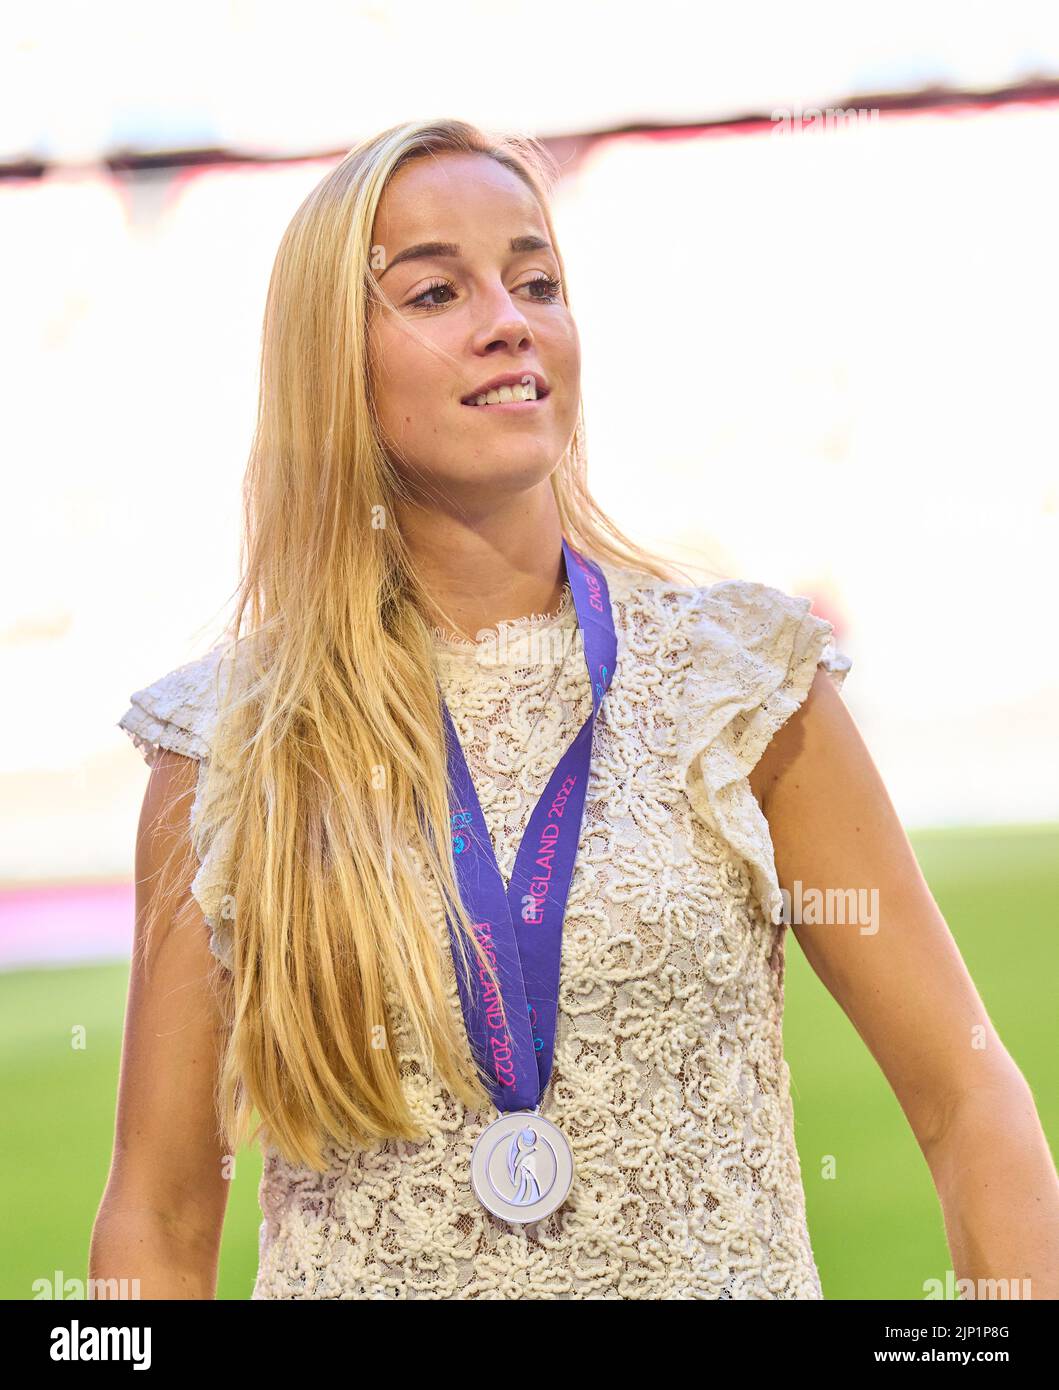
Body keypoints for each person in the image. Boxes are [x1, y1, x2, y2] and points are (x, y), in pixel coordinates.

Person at [92, 117, 1059, 1300]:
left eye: (537, 279)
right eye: (437, 289)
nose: (512, 317)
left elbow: (969, 1101)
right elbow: (160, 1209)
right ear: (327, 364)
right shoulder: (224, 743)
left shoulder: (742, 682)